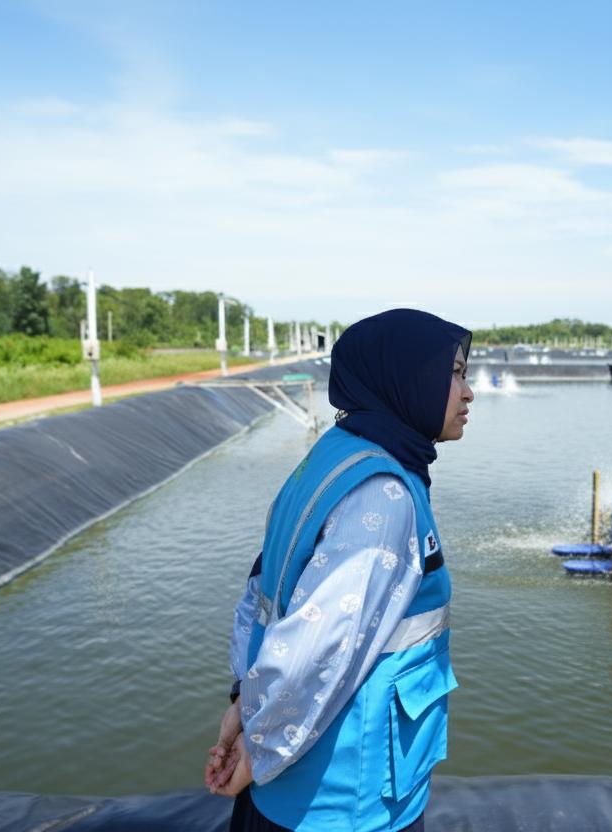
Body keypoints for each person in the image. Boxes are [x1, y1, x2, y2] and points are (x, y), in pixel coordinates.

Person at [205, 308, 474, 831]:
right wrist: (258, 753)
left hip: (291, 786)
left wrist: (243, 703)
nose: (468, 392)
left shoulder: (332, 456)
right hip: (347, 801)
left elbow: (261, 595)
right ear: (406, 379)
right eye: (456, 372)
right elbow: (318, 648)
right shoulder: (385, 495)